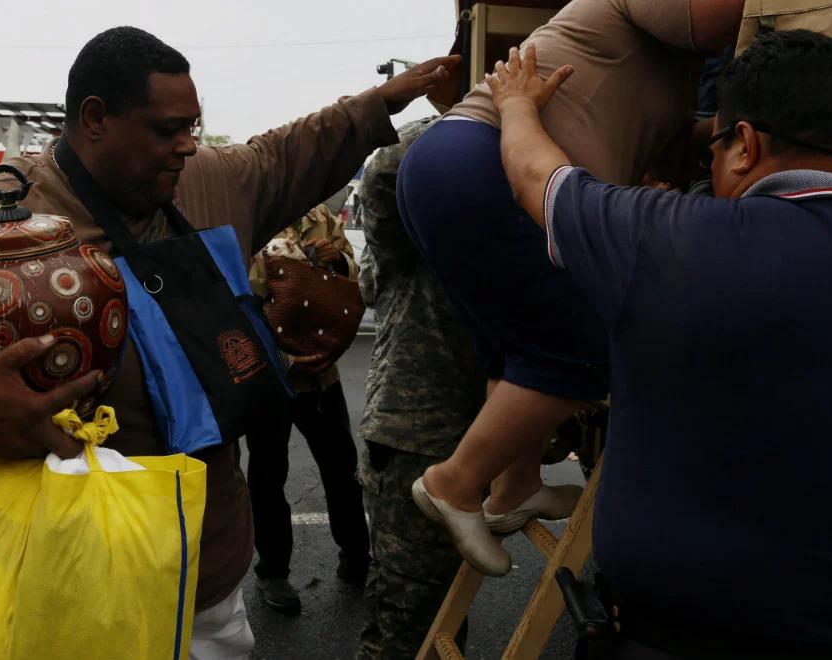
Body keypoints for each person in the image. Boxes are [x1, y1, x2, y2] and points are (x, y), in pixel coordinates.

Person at [0, 26, 456, 659]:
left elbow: (290, 150)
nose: (188, 144)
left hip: (205, 568)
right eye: (167, 130)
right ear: (95, 119)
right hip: (57, 580)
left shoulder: (206, 182)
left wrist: (384, 102)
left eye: (191, 127)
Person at [469, 31, 832, 658]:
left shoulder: (670, 240)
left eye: (713, 152)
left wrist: (514, 104)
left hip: (676, 637)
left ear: (745, 145)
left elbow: (539, 176)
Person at [398, 0, 746, 575]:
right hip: (483, 162)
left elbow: (677, 144)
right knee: (588, 345)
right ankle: (453, 483)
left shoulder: (669, 66)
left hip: (462, 166)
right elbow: (716, 17)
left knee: (519, 345)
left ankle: (515, 488)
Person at [353, 117, 486, 660]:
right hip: (414, 447)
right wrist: (471, 118)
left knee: (447, 608)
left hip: (467, 438)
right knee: (403, 621)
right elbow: (384, 167)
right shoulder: (406, 245)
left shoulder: (473, 238)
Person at [244, 202, 371, 613]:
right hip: (270, 372)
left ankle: (356, 555)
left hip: (320, 371)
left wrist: (339, 261)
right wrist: (275, 263)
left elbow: (355, 276)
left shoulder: (322, 219)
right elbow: (240, 295)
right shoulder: (252, 214)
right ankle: (274, 572)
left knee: (341, 467)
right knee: (267, 473)